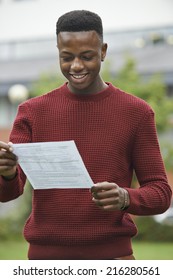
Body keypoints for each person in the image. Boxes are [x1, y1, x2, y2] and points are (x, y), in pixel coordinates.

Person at [0, 10, 172, 260]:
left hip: (113, 260)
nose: (76, 66)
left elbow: (161, 193)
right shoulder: (32, 112)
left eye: (87, 56)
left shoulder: (137, 112)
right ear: (58, 51)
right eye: (66, 57)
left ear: (103, 51)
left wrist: (125, 197)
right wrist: (6, 173)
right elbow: (8, 194)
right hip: (45, 262)